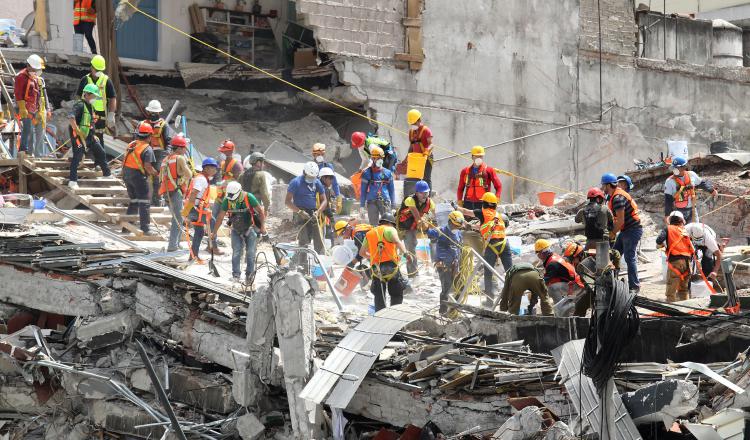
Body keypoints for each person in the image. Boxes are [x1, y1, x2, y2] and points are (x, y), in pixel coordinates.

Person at [457, 192, 512, 307]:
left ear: (485, 203)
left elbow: (466, 212)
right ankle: (513, 299)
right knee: (511, 272)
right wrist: (471, 226)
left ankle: (489, 301)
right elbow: (484, 226)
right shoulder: (498, 215)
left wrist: (455, 207)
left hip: (492, 246)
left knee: (488, 273)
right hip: (504, 244)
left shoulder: (482, 212)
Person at [213, 181, 266, 283]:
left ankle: (249, 275)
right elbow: (220, 216)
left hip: (250, 228)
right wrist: (214, 232)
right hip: (236, 230)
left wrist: (262, 227)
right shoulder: (227, 200)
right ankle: (236, 275)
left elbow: (261, 211)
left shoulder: (248, 197)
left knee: (250, 253)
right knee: (236, 252)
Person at [359, 214, 412, 312]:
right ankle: (395, 314)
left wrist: (372, 257)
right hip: (391, 267)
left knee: (379, 295)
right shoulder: (390, 229)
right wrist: (406, 253)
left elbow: (361, 253)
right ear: (390, 223)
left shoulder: (369, 233)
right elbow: (397, 241)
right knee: (396, 293)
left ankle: (381, 316)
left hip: (376, 269)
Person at [456, 145, 502, 254]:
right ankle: (466, 250)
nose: (479, 158)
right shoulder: (465, 171)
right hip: (467, 202)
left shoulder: (489, 170)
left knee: (482, 227)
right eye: (476, 156)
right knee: (465, 226)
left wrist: (496, 199)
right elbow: (460, 188)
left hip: (483, 204)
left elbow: (498, 186)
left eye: (481, 156)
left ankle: (484, 251)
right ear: (472, 157)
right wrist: (459, 201)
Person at [602, 172, 643, 293]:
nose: (602, 188)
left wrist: (613, 233)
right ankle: (613, 281)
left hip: (632, 230)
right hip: (626, 230)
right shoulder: (615, 195)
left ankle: (634, 286)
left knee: (630, 257)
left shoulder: (618, 198)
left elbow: (620, 220)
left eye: (603, 185)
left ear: (608, 185)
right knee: (615, 254)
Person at [67, 84, 111, 189]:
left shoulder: (91, 107)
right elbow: (71, 117)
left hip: (89, 136)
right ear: (86, 94)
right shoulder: (79, 105)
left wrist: (94, 134)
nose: (95, 98)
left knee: (101, 152)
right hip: (78, 136)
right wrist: (76, 130)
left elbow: (90, 123)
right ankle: (72, 181)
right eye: (93, 96)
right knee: (77, 156)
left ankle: (107, 174)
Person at [285, 161, 328, 259]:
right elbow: (287, 202)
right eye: (309, 177)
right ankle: (302, 267)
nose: (311, 179)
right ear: (304, 172)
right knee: (303, 241)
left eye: (313, 177)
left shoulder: (316, 182)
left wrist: (318, 211)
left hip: (313, 212)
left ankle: (321, 265)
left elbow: (324, 200)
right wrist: (300, 212)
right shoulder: (296, 182)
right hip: (299, 212)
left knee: (319, 240)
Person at [122, 122, 158, 235]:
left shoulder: (132, 144)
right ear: (149, 136)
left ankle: (127, 227)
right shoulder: (147, 149)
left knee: (134, 201)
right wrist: (155, 173)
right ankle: (145, 228)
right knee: (144, 201)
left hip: (126, 174)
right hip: (138, 177)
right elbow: (148, 166)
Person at [159, 134, 193, 252]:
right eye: (184, 148)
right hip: (175, 191)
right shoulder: (180, 158)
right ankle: (173, 246)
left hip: (166, 192)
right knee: (178, 218)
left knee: (177, 217)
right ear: (179, 148)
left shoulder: (165, 159)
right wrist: (183, 180)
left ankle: (176, 243)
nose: (185, 151)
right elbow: (189, 174)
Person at [75, 55, 116, 151]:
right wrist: (77, 110)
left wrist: (111, 114)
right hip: (86, 112)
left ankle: (98, 162)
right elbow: (78, 96)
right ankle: (83, 157)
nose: (98, 72)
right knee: (84, 134)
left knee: (98, 137)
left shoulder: (106, 81)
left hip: (100, 115)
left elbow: (113, 98)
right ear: (91, 67)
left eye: (100, 70)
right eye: (96, 69)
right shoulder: (85, 80)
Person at [182, 158, 219, 262]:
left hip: (196, 208)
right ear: (206, 168)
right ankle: (214, 247)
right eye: (213, 168)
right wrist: (188, 210)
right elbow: (193, 193)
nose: (215, 171)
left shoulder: (202, 178)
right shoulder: (201, 179)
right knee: (213, 223)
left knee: (199, 232)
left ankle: (193, 256)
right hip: (195, 209)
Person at [427, 210, 464, 315]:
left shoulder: (458, 233)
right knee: (446, 288)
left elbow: (460, 247)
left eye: (458, 226)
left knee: (461, 287)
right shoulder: (441, 231)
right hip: (444, 266)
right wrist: (425, 226)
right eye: (456, 226)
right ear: (450, 222)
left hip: (455, 265)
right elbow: (429, 232)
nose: (457, 228)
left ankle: (454, 310)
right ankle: (442, 312)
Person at [536, 239, 585, 316]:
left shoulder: (552, 264)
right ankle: (563, 308)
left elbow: (544, 282)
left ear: (540, 254)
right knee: (550, 286)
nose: (539, 255)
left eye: (538, 253)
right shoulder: (553, 257)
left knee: (552, 288)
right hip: (573, 283)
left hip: (576, 286)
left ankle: (561, 312)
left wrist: (533, 290)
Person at [396, 180, 434, 277]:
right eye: (422, 193)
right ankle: (412, 275)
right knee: (410, 250)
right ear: (416, 193)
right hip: (404, 228)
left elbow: (434, 215)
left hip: (415, 227)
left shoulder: (430, 202)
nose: (425, 195)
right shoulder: (410, 200)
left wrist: (433, 227)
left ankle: (434, 266)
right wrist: (423, 222)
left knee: (435, 239)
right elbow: (417, 217)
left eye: (426, 192)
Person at [211, 140, 243, 254]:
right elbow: (220, 177)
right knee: (213, 220)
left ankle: (238, 249)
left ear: (231, 151)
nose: (224, 153)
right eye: (223, 151)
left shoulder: (237, 165)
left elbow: (240, 181)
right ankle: (212, 245)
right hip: (221, 196)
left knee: (234, 222)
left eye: (226, 151)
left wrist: (227, 182)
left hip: (231, 198)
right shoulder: (223, 163)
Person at [664, 156, 718, 224]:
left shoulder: (691, 175)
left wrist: (711, 190)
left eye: (677, 167)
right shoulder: (669, 181)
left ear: (684, 167)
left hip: (692, 209)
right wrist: (667, 215)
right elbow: (668, 200)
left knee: (695, 229)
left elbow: (701, 183)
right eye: (674, 167)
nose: (675, 169)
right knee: (680, 232)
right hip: (678, 211)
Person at [656, 211, 695, 302]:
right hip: (687, 263)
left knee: (671, 291)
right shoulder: (685, 231)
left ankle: (671, 312)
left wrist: (662, 246)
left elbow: (659, 240)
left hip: (675, 262)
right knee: (684, 290)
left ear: (670, 220)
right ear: (681, 220)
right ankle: (686, 310)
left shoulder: (668, 228)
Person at [14, 54, 48, 157]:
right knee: (27, 130)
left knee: (34, 132)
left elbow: (37, 94)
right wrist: (22, 108)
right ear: (28, 66)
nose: (36, 71)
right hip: (25, 108)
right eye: (34, 68)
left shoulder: (33, 77)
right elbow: (18, 93)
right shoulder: (21, 77)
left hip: (33, 109)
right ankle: (23, 151)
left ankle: (32, 153)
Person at [143, 99, 173, 206]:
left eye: (155, 113)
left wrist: (167, 154)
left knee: (157, 178)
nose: (153, 114)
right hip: (145, 151)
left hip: (159, 153)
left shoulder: (164, 125)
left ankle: (156, 201)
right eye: (151, 112)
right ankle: (143, 200)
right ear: (148, 112)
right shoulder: (144, 124)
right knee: (142, 176)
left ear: (159, 113)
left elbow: (169, 142)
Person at [360, 146, 395, 226]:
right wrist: (362, 206)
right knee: (373, 226)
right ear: (372, 159)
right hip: (371, 202)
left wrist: (393, 206)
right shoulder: (366, 173)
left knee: (387, 225)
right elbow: (363, 191)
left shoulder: (388, 173)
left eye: (380, 158)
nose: (378, 160)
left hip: (385, 202)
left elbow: (391, 190)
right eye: (375, 158)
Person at [685, 222, 723, 289]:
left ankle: (709, 281)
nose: (699, 241)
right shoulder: (685, 231)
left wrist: (715, 271)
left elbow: (719, 255)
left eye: (700, 239)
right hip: (692, 241)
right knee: (689, 260)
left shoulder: (709, 238)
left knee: (707, 259)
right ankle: (688, 282)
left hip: (706, 243)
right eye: (697, 239)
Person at [406, 109, 433, 189]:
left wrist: (426, 152)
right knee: (414, 178)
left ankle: (427, 198)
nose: (413, 125)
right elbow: (411, 146)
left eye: (414, 123)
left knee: (426, 179)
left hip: (426, 158)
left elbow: (431, 144)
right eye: (411, 123)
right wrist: (407, 158)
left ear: (419, 120)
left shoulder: (426, 130)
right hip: (415, 159)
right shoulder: (411, 131)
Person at [312, 143, 341, 212]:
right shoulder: (310, 166)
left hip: (325, 196)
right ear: (314, 155)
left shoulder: (328, 166)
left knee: (326, 218)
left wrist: (338, 197)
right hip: (313, 197)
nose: (320, 156)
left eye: (322, 154)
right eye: (318, 154)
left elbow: (334, 183)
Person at [319, 167, 337, 242]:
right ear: (324, 178)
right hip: (322, 215)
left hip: (319, 214)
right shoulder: (324, 189)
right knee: (328, 234)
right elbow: (325, 206)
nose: (331, 181)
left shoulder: (318, 186)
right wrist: (331, 216)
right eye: (330, 178)